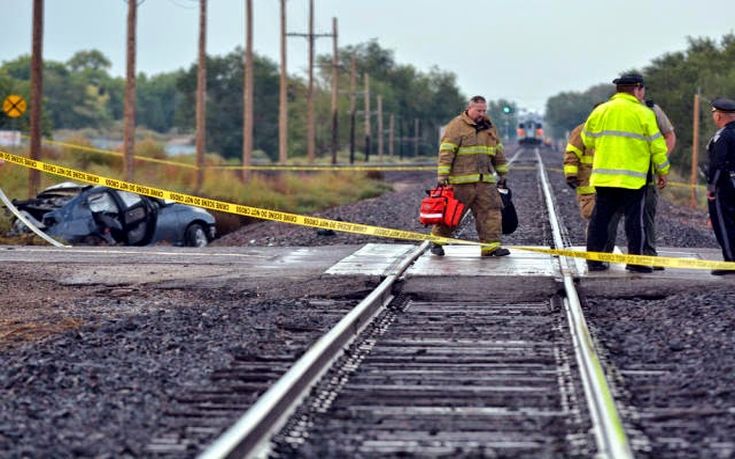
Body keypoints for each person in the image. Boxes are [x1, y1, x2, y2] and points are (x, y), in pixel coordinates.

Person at [582, 73, 670, 273]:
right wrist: (662, 171)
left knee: (600, 219)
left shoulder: (601, 111)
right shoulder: (644, 113)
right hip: (633, 180)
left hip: (604, 178)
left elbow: (587, 140)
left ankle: (594, 261)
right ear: (638, 89)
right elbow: (658, 147)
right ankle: (635, 262)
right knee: (634, 220)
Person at [430, 95, 510, 257]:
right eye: (478, 110)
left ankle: (491, 247)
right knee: (451, 214)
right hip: (461, 182)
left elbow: (498, 152)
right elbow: (446, 151)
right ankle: (437, 242)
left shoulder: (489, 128)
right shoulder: (456, 126)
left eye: (484, 110)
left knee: (491, 213)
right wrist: (442, 176)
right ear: (469, 109)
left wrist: (502, 174)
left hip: (485, 182)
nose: (481, 113)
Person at [563, 120, 621, 252]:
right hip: (589, 183)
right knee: (593, 217)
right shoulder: (582, 130)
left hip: (611, 182)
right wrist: (571, 175)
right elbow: (572, 153)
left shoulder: (613, 129)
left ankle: (605, 252)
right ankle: (595, 253)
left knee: (611, 219)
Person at [641, 98, 676, 269]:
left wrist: (660, 165)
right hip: (639, 176)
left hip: (642, 175)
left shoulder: (652, 109)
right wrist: (661, 168)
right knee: (643, 216)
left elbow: (669, 136)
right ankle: (647, 255)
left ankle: (600, 256)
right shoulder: (649, 110)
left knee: (643, 215)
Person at [706, 97, 735, 275]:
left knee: (723, 223)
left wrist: (711, 187)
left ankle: (730, 261)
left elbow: (718, 163)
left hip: (725, 186)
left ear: (719, 116)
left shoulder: (723, 136)